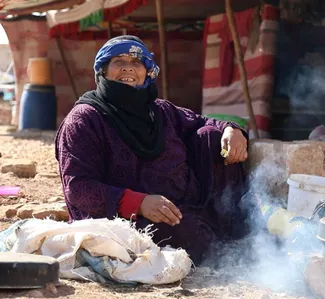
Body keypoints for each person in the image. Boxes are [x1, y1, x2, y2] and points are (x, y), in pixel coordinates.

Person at [55, 35, 258, 265]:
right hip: (124, 218)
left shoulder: (160, 111)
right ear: (103, 71)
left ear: (147, 72)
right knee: (188, 236)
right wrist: (139, 203)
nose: (128, 68)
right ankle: (217, 243)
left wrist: (232, 130)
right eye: (118, 61)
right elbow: (78, 188)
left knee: (212, 137)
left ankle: (238, 231)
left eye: (136, 62)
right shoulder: (84, 120)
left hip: (178, 206)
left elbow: (202, 122)